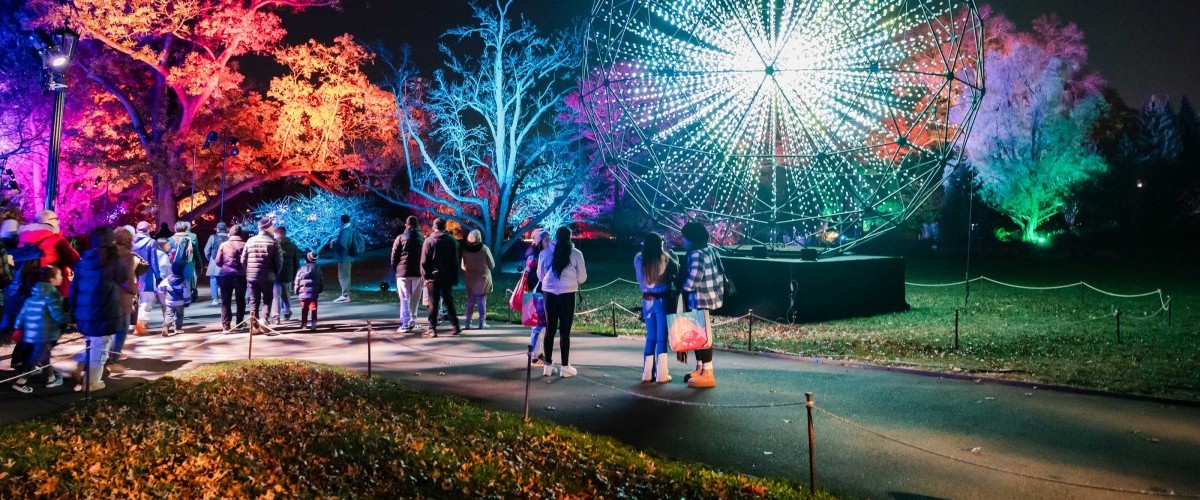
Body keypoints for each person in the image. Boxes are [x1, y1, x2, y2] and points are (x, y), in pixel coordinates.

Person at [71, 227, 130, 392]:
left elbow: (74, 287)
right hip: (105, 310)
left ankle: (82, 368)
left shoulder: (84, 261)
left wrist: (73, 311)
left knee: (92, 344)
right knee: (101, 348)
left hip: (85, 312)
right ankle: (91, 383)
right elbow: (122, 278)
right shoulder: (112, 260)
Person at [676, 221, 726, 389]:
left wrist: (682, 288)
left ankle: (708, 373)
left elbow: (694, 279)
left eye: (685, 238)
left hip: (700, 299)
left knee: (702, 336)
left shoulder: (696, 254)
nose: (683, 241)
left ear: (692, 238)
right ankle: (700, 368)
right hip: (710, 297)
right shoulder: (710, 249)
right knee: (699, 335)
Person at [537, 226, 587, 378]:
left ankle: (547, 366)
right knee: (565, 331)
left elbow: (540, 275)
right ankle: (565, 367)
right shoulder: (576, 254)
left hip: (549, 292)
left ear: (555, 237)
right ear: (570, 237)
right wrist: (572, 281)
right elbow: (582, 277)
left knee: (550, 330)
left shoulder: (545, 253)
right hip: (567, 293)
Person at [11, 266, 66, 393]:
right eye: (60, 275)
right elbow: (58, 315)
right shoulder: (53, 294)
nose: (62, 277)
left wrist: (18, 327)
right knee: (36, 357)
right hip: (46, 333)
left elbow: (23, 312)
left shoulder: (35, 292)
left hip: (32, 332)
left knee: (43, 355)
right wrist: (68, 317)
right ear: (52, 279)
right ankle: (21, 382)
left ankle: (51, 378)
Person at [635, 232, 679, 384]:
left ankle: (647, 373)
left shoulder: (638, 258)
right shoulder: (665, 258)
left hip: (646, 301)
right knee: (661, 338)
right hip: (662, 300)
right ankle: (662, 374)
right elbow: (677, 270)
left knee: (651, 336)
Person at [18, 210, 80, 298]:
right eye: (56, 219)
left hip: (26, 289)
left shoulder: (23, 238)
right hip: (54, 291)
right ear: (49, 221)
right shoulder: (58, 240)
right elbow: (77, 262)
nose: (58, 222)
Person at [108, 227, 142, 374]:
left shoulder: (107, 253)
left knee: (107, 330)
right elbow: (128, 279)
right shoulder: (127, 255)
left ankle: (101, 357)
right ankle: (113, 358)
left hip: (105, 295)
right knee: (122, 329)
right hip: (122, 297)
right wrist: (134, 290)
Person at [420, 218, 461, 337]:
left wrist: (425, 275)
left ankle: (432, 328)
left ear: (434, 227)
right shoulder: (452, 241)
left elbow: (424, 261)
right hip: (447, 276)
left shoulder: (428, 241)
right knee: (449, 301)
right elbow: (455, 261)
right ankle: (455, 325)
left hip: (433, 277)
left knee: (433, 302)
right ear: (445, 227)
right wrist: (454, 276)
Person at [242, 218, 281, 335]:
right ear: (267, 228)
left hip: (252, 276)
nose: (273, 228)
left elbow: (243, 259)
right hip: (268, 275)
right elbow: (279, 261)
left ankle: (254, 326)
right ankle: (264, 320)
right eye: (271, 226)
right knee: (267, 299)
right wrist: (275, 273)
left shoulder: (250, 241)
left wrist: (248, 270)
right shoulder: (273, 242)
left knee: (253, 300)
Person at [391, 215, 424, 333]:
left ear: (406, 225)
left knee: (404, 299)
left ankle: (404, 323)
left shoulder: (400, 238)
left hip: (402, 273)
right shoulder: (422, 239)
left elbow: (394, 257)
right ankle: (412, 321)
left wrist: (396, 270)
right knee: (415, 299)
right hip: (417, 272)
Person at [214, 224, 248, 333]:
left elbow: (218, 262)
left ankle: (226, 325)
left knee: (225, 300)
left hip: (226, 275)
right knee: (240, 300)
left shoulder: (224, 245)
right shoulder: (245, 244)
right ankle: (239, 323)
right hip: (241, 275)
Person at [524, 229, 549, 365]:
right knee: (538, 325)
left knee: (539, 325)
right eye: (546, 240)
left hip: (537, 291)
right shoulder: (536, 256)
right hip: (538, 291)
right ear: (540, 242)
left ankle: (537, 352)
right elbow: (536, 276)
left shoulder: (534, 254)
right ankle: (534, 353)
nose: (549, 242)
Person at [461, 229, 495, 329]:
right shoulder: (484, 249)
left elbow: (463, 265)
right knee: (482, 301)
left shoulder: (465, 250)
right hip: (483, 278)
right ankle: (481, 322)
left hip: (470, 278)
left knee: (470, 301)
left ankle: (467, 323)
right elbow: (492, 264)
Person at [328, 214, 363, 303]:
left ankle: (345, 295)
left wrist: (333, 246)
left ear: (342, 221)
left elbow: (342, 245)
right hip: (349, 257)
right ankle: (346, 295)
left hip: (344, 257)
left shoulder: (345, 231)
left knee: (343, 276)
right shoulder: (351, 229)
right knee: (346, 276)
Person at [270, 225, 299, 325]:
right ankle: (286, 312)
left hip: (275, 275)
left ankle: (276, 317)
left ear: (276, 234)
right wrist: (295, 276)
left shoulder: (272, 245)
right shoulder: (293, 246)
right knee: (286, 295)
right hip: (288, 274)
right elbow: (296, 263)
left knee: (275, 297)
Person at [293, 252, 324, 331]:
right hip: (314, 292)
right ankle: (313, 323)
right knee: (313, 308)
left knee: (304, 308)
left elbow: (297, 281)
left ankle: (304, 323)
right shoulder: (317, 268)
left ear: (306, 260)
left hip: (303, 292)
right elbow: (321, 281)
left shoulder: (301, 269)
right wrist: (320, 289)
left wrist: (296, 290)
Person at [157, 266, 189, 337]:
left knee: (169, 314)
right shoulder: (183, 281)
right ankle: (178, 328)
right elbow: (186, 292)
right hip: (180, 301)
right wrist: (187, 301)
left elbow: (160, 287)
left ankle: (166, 327)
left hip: (169, 301)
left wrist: (163, 292)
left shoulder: (167, 280)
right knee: (179, 315)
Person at [203, 222, 230, 306]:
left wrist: (210, 259)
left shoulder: (212, 237)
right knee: (225, 281)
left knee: (213, 280)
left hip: (214, 261)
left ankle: (215, 299)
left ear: (217, 229)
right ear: (226, 229)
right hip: (227, 261)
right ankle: (224, 297)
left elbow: (206, 250)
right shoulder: (229, 237)